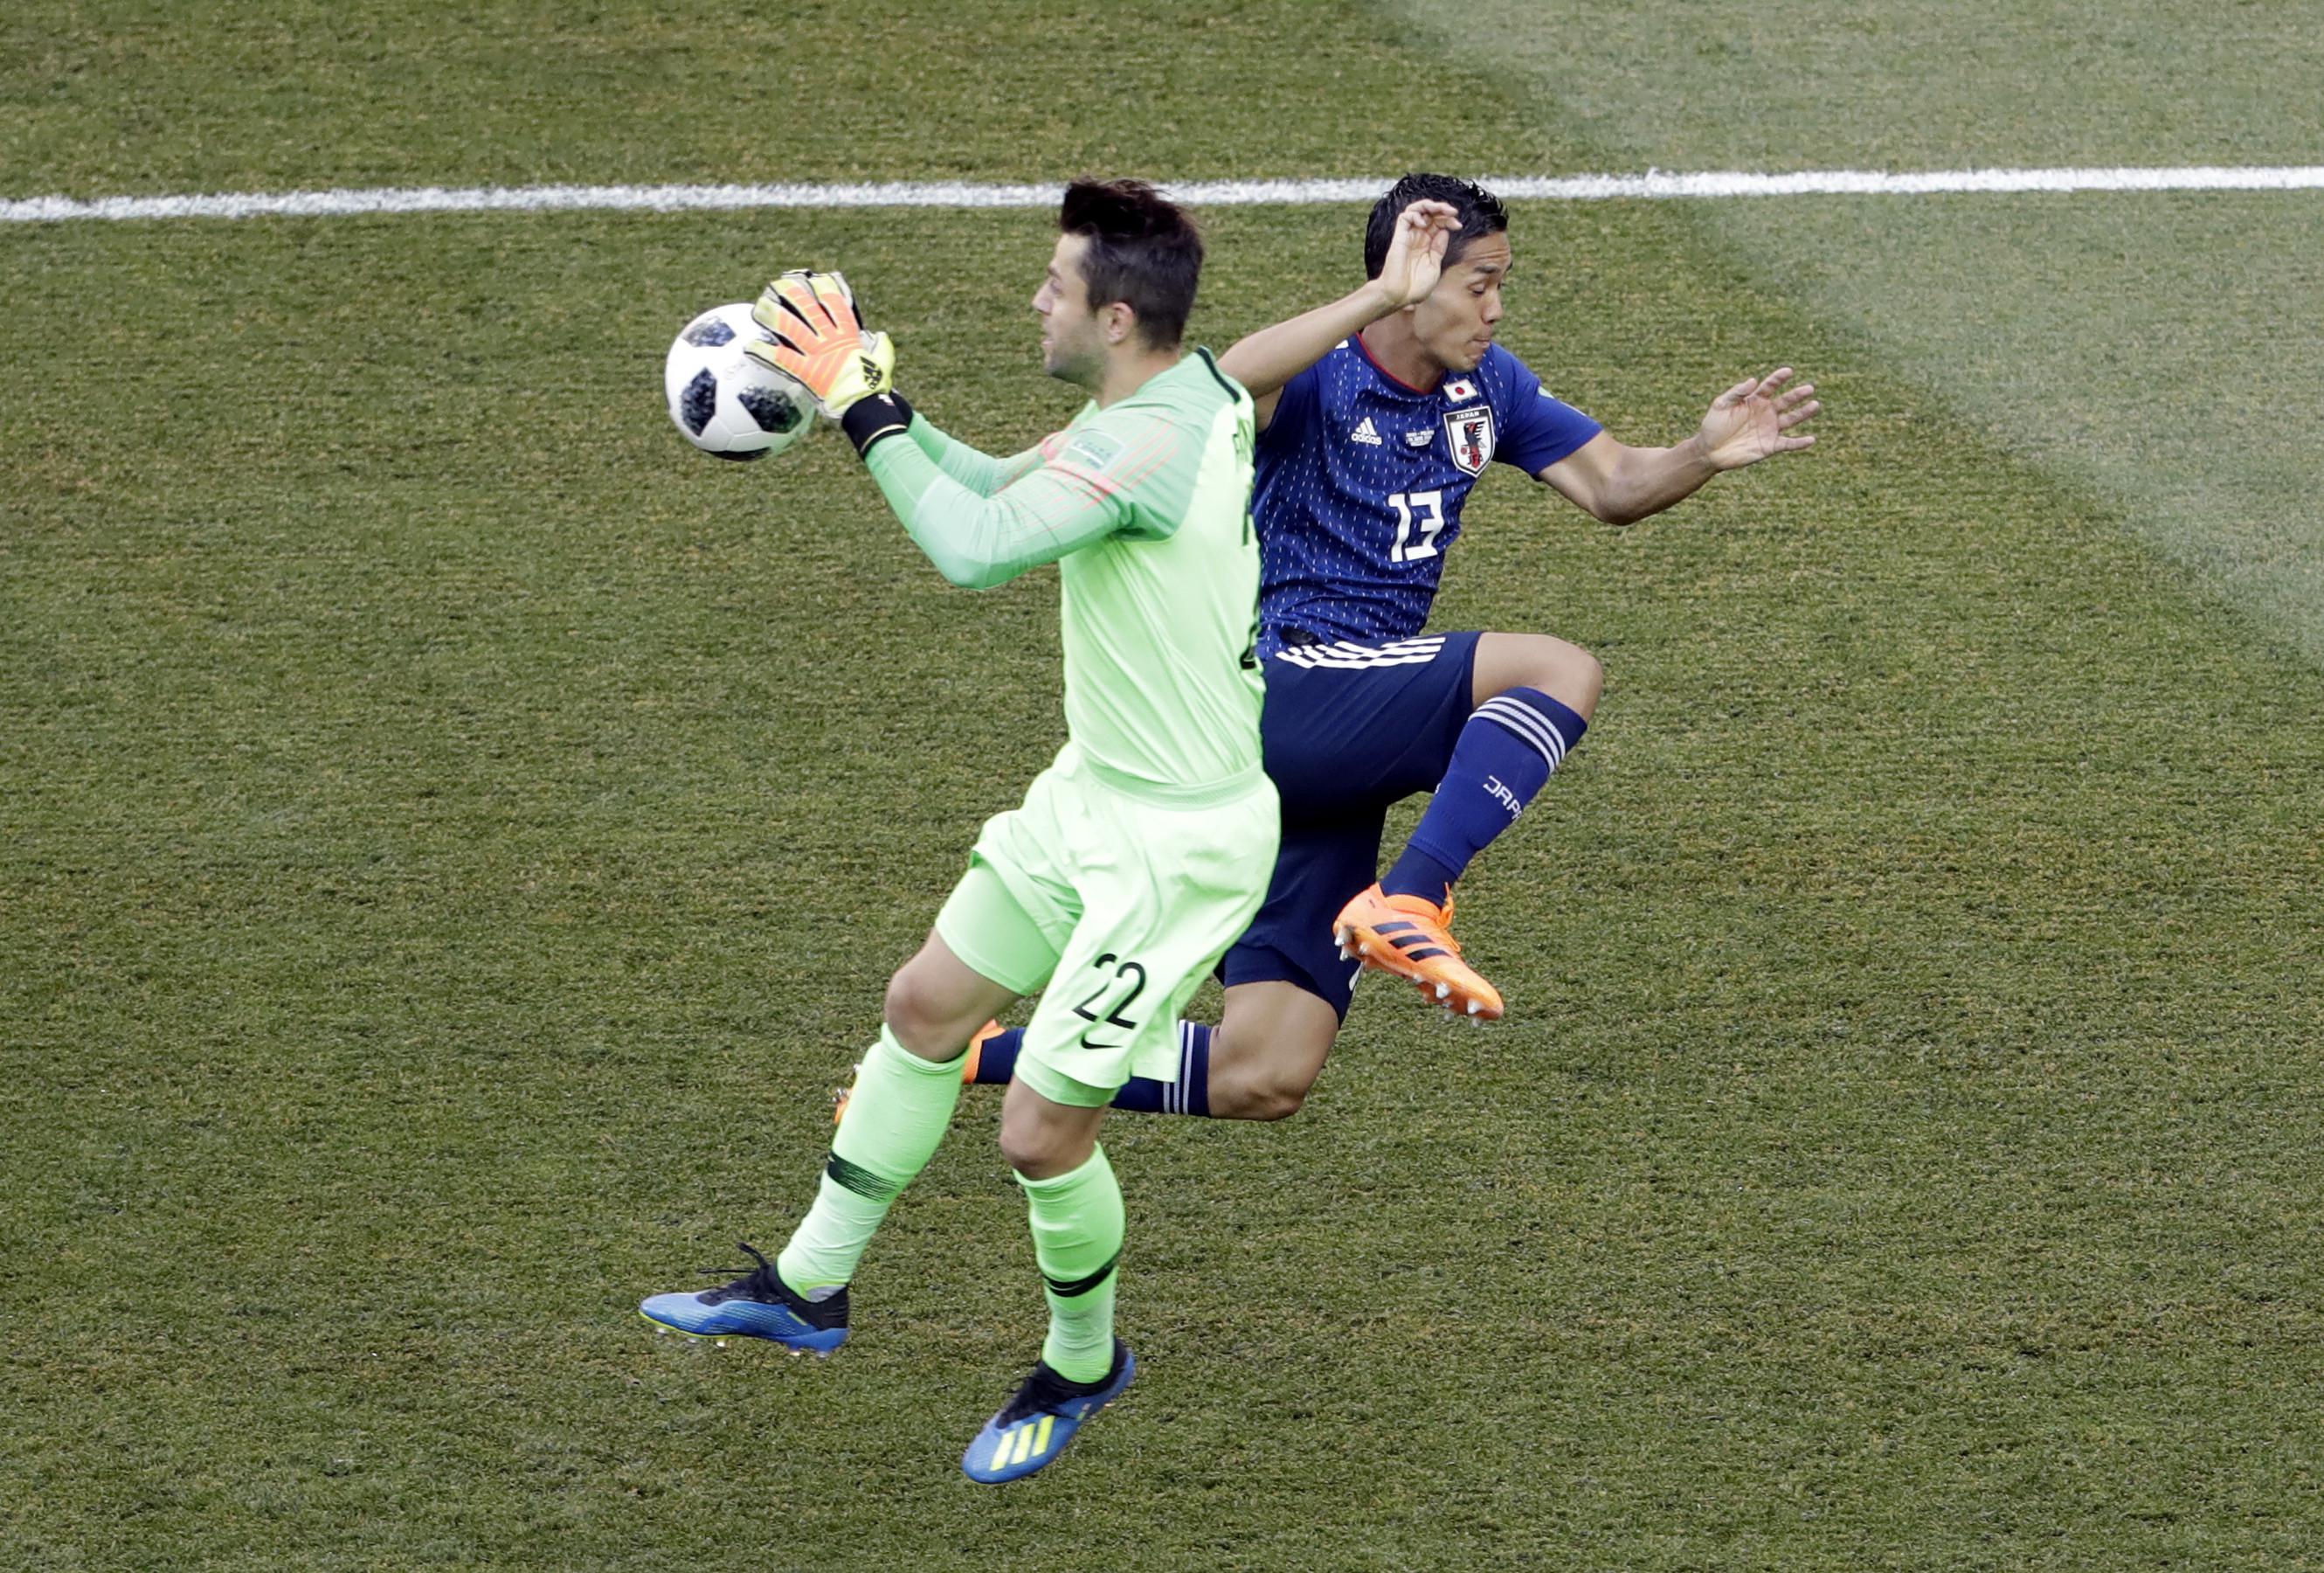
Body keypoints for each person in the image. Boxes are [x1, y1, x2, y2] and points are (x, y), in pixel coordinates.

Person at [640, 178, 1277, 1485]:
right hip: (1091, 795)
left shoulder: (1146, 449)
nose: (1034, 301)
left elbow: (976, 548)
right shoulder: (1173, 397)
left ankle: (1083, 1362)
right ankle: (809, 1286)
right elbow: (990, 482)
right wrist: (879, 403)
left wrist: (858, 405)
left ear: (1113, 317)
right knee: (925, 1007)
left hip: (1174, 853)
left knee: (1040, 1133)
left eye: (1053, 285)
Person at [954, 172, 1818, 1123]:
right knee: (1559, 669)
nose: (1494, 310)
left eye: (1500, 285)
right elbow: (1226, 381)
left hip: (1336, 749)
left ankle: (976, 1055)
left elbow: (1611, 484)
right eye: (1478, 285)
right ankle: (1412, 898)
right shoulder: (1319, 376)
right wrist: (1374, 296)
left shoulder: (1488, 385)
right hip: (1276, 689)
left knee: (1263, 1072)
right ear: (1413, 287)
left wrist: (1701, 453)